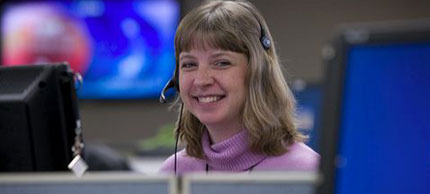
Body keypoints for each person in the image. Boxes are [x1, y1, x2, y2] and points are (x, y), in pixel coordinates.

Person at [159, 0, 319, 174]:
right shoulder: (174, 171)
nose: (201, 80)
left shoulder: (306, 171)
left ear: (258, 72)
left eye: (221, 63)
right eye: (189, 64)